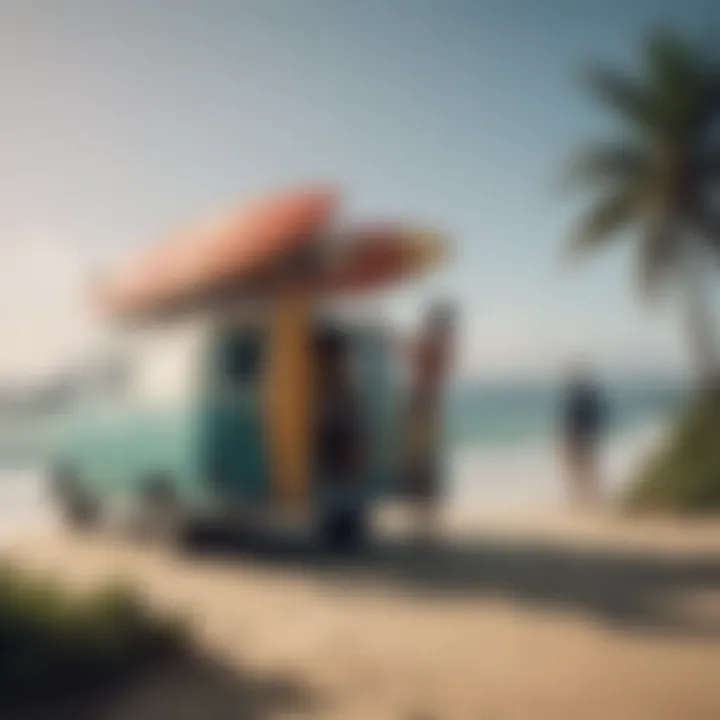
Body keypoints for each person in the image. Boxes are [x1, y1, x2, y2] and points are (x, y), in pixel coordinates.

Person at [403, 301, 456, 545]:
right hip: (429, 405)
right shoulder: (440, 345)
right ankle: (424, 525)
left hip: (422, 404)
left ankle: (421, 526)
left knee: (420, 467)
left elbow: (417, 365)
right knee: (424, 467)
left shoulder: (433, 345)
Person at [313, 326, 365, 551]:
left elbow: (346, 412)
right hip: (336, 435)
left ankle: (342, 533)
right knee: (336, 485)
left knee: (339, 484)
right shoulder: (337, 376)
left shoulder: (338, 377)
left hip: (337, 435)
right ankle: (339, 532)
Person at [561, 363, 608, 508]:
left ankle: (582, 497)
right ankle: (589, 496)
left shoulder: (578, 399)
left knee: (579, 468)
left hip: (579, 437)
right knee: (587, 467)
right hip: (589, 437)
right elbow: (599, 417)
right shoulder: (589, 398)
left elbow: (571, 421)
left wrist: (568, 438)